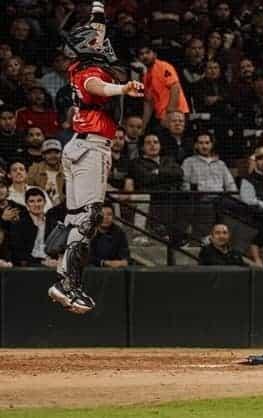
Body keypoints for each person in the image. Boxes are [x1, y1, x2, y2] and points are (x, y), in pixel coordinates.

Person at [48, 0, 144, 314]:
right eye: (98, 39)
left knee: (76, 218)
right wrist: (123, 89)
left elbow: (96, 34)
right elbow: (98, 87)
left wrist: (99, 11)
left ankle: (63, 280)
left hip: (79, 144)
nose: (104, 41)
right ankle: (69, 285)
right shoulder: (89, 71)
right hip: (91, 148)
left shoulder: (81, 63)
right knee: (88, 218)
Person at [137, 43, 189, 130]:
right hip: (161, 116)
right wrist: (144, 125)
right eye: (141, 54)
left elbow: (175, 88)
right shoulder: (145, 77)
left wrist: (169, 113)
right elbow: (148, 103)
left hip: (177, 113)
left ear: (154, 54)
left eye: (147, 52)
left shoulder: (163, 66)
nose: (145, 56)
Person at [8, 188, 57, 267]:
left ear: (45, 202)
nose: (36, 205)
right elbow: (17, 254)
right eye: (32, 201)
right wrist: (42, 262)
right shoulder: (18, 225)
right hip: (28, 267)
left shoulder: (53, 224)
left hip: (52, 264)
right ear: (27, 205)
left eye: (39, 200)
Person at [88, 203, 129, 268]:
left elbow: (125, 256)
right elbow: (89, 257)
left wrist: (123, 261)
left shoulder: (119, 232)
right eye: (102, 215)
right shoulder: (90, 231)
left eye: (109, 214)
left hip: (114, 271)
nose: (105, 217)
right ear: (97, 216)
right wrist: (104, 263)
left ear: (113, 217)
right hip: (94, 270)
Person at [27, 138, 64, 206]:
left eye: (56, 152)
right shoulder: (34, 170)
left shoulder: (67, 170)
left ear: (61, 154)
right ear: (43, 155)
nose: (53, 156)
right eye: (49, 153)